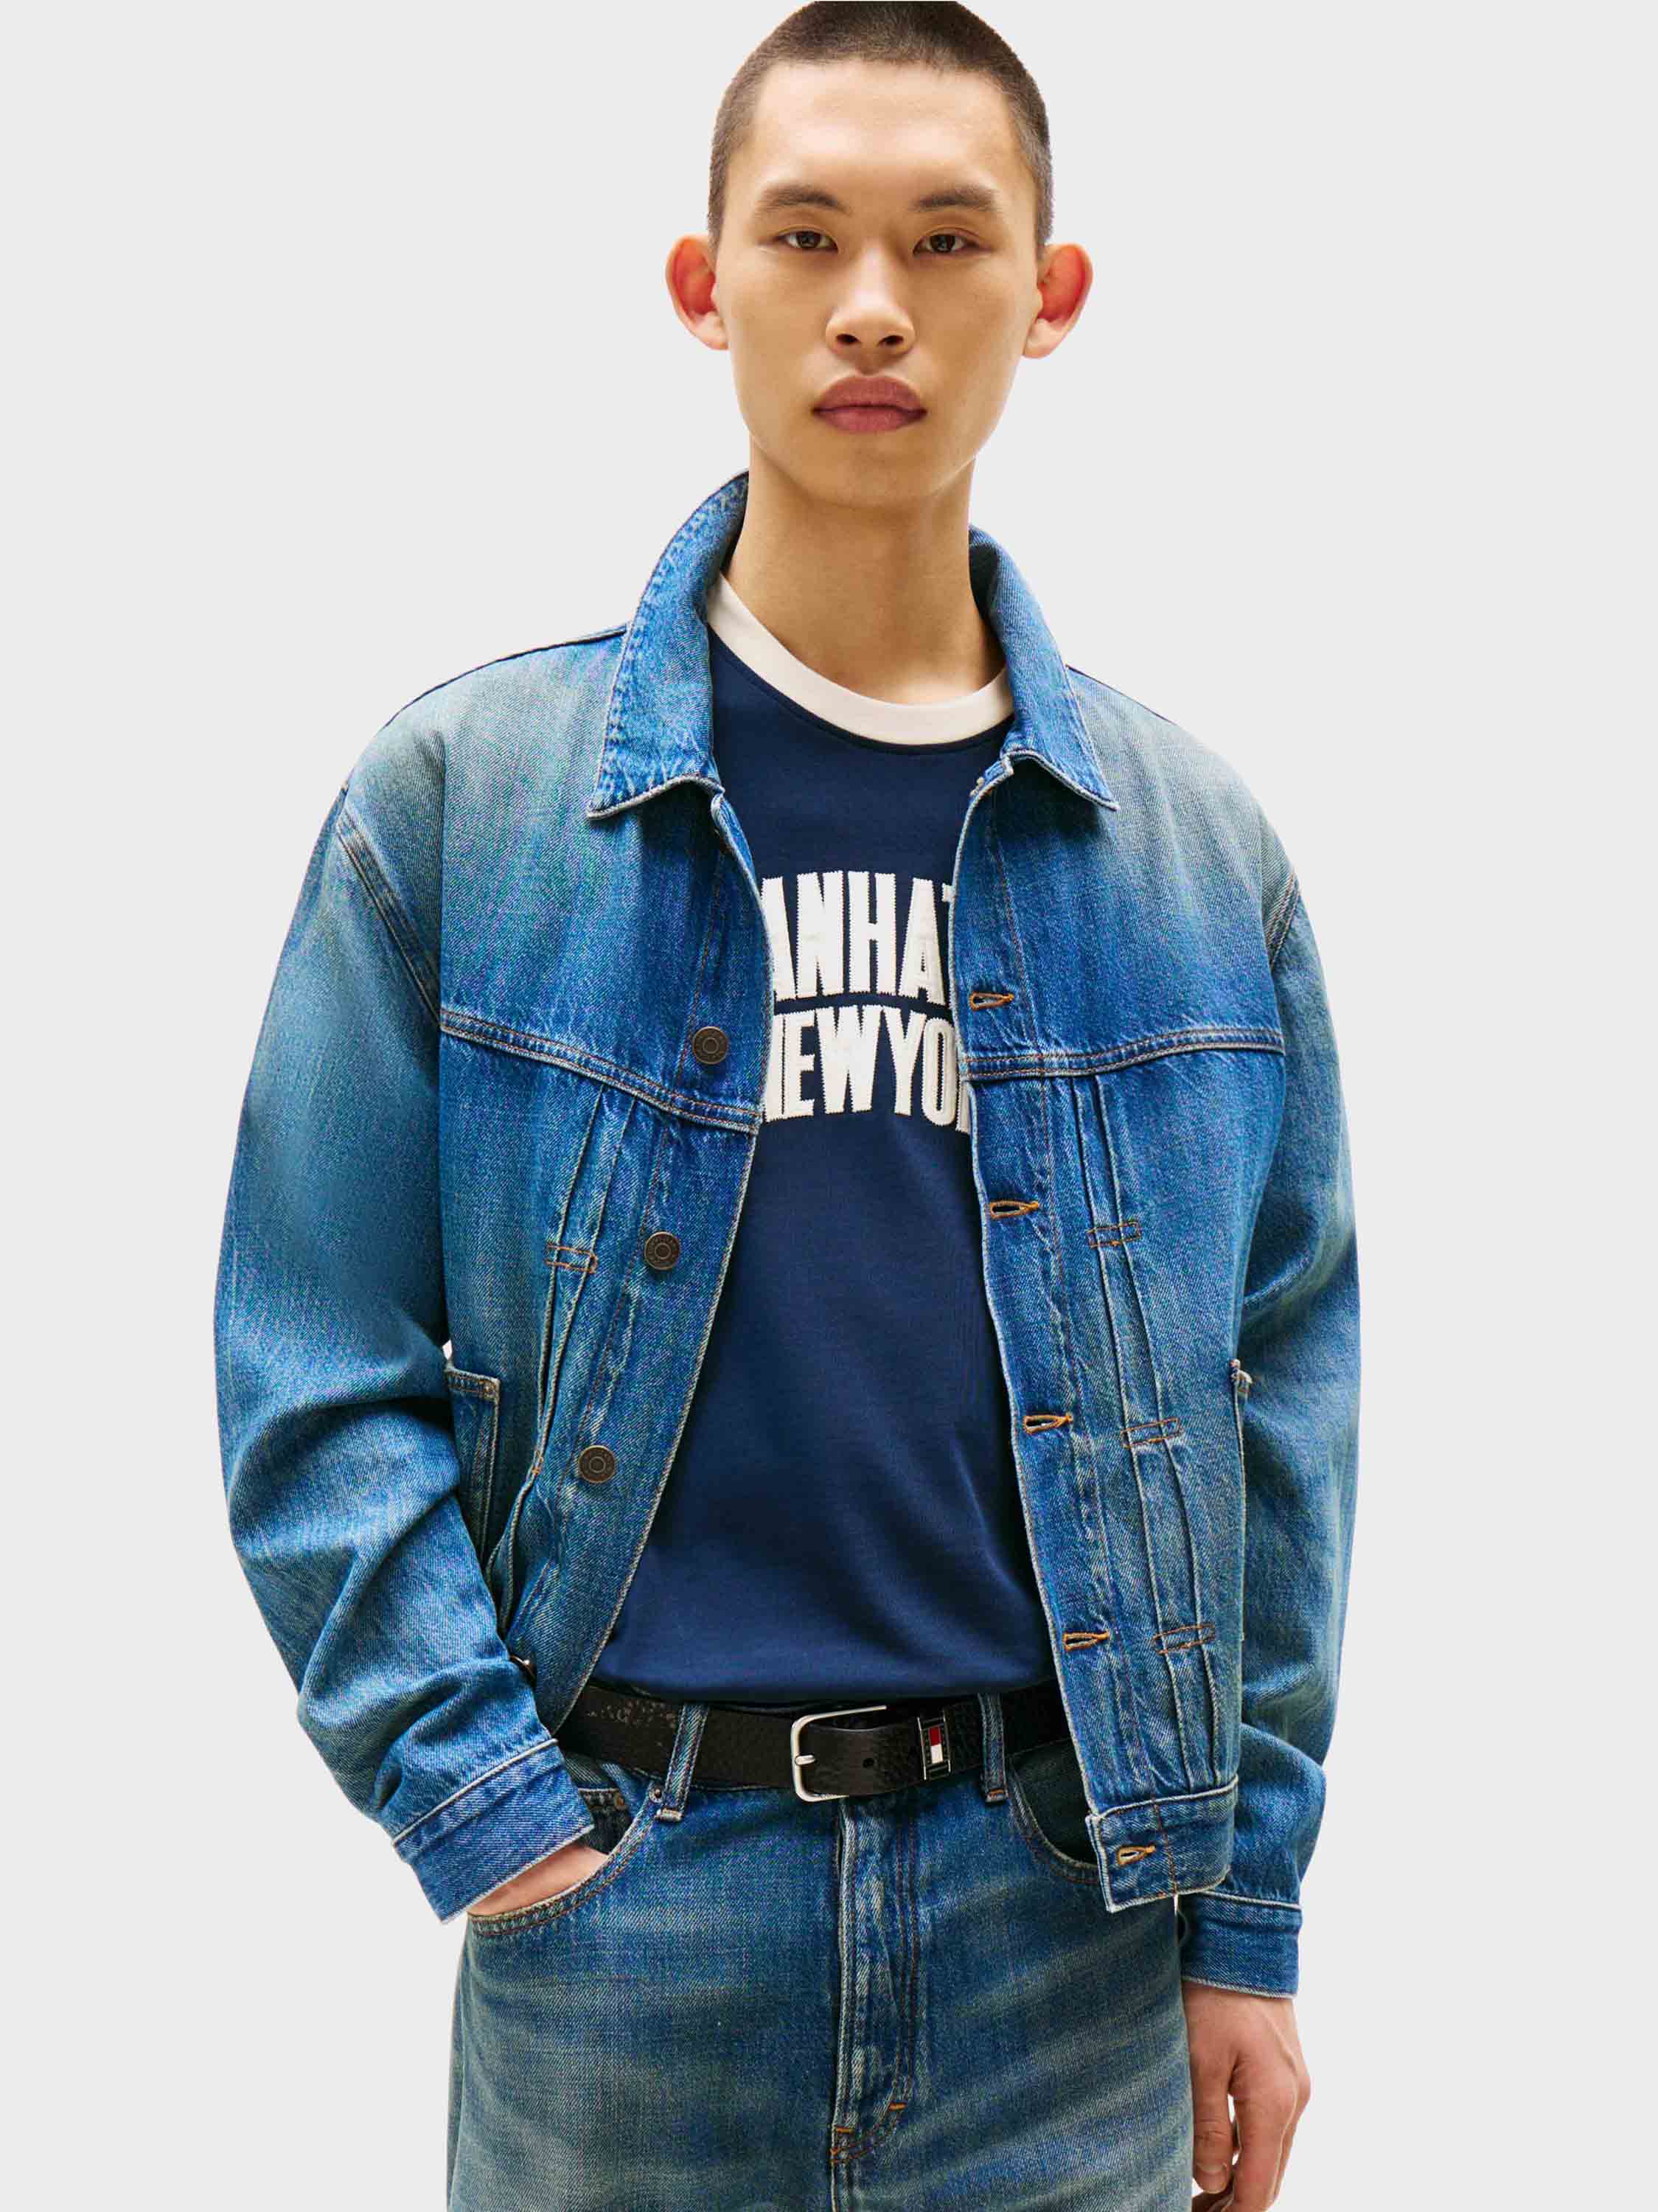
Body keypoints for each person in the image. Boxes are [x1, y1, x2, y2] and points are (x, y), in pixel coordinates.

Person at [214, 7, 1357, 2208]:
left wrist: (1245, 1914)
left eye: (947, 240)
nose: (872, 306)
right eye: (807, 235)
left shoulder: (1197, 858)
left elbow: (1277, 1417)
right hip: (626, 1931)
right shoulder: (469, 806)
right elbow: (310, 1358)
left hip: (1069, 1941)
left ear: (1050, 292)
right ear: (701, 282)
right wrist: (491, 1815)